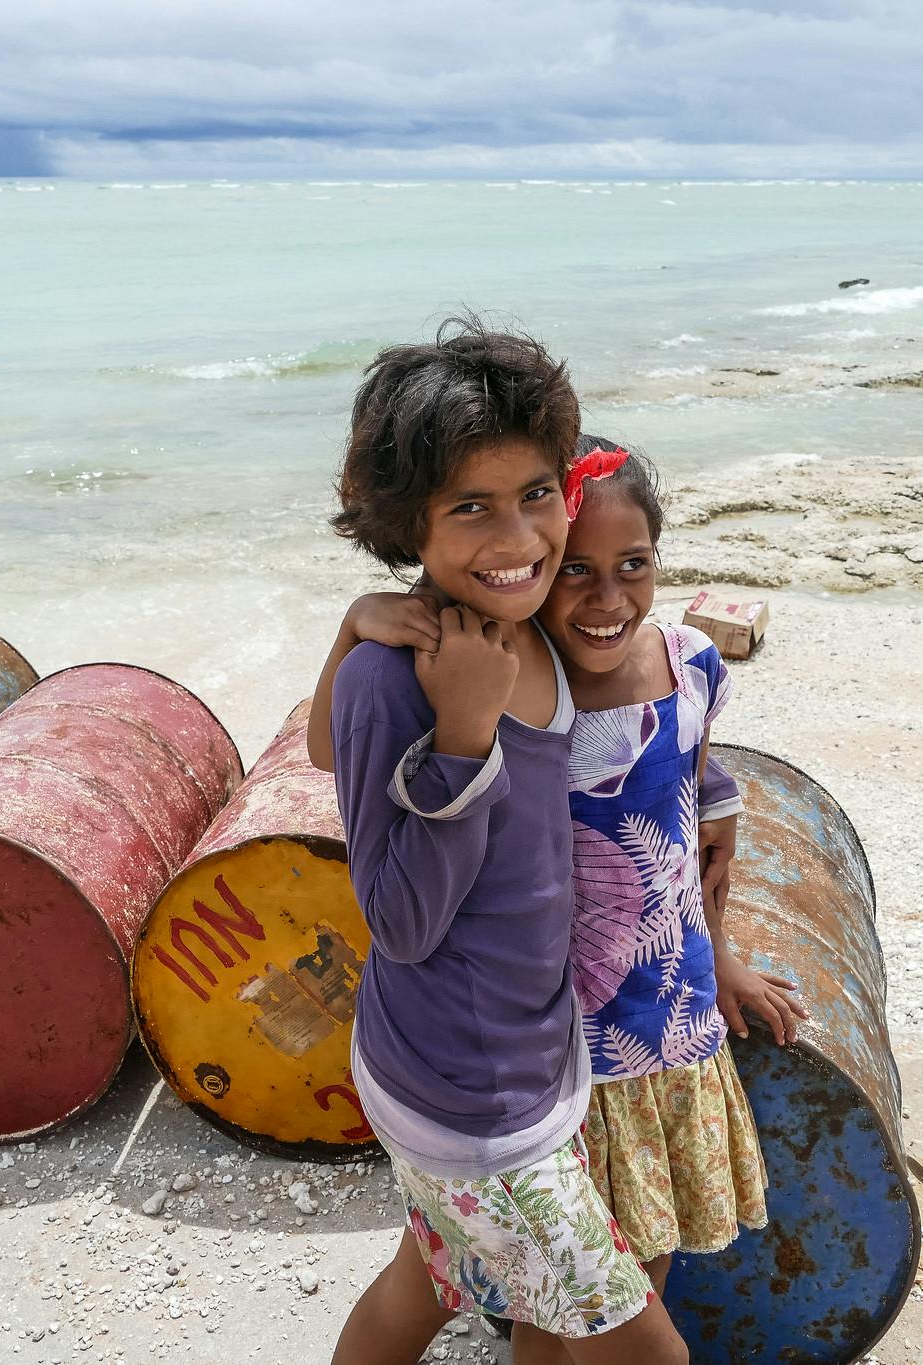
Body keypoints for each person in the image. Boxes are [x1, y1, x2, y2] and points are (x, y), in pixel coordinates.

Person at [317, 437, 808, 1362]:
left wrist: (725, 955)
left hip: (654, 1037)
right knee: (563, 1317)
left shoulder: (681, 665)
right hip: (544, 1069)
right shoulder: (506, 672)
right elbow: (365, 795)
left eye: (633, 565)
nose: (606, 596)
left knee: (480, 1275)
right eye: (575, 569)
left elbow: (693, 821)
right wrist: (362, 631)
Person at [322, 322, 689, 1365]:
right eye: (468, 508)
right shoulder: (397, 680)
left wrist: (348, 619)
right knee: (647, 1353)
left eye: (534, 494)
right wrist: (459, 734)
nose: (516, 536)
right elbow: (397, 920)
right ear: (410, 528)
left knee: (436, 1287)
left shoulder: (526, 628)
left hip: (530, 1061)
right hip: (468, 1099)